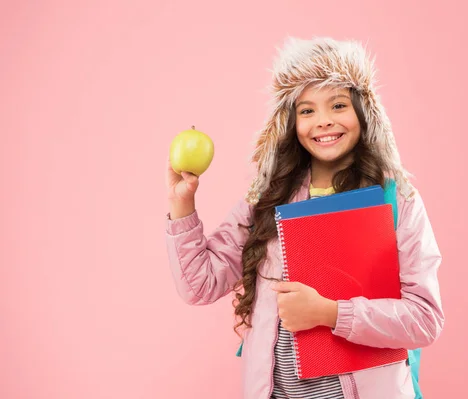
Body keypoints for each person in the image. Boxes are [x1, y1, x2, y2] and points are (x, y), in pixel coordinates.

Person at [165, 36, 444, 399]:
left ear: (364, 112)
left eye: (339, 105)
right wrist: (182, 204)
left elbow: (424, 319)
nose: (323, 122)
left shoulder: (398, 199)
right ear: (289, 122)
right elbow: (199, 285)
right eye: (307, 110)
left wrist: (330, 313)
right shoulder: (266, 195)